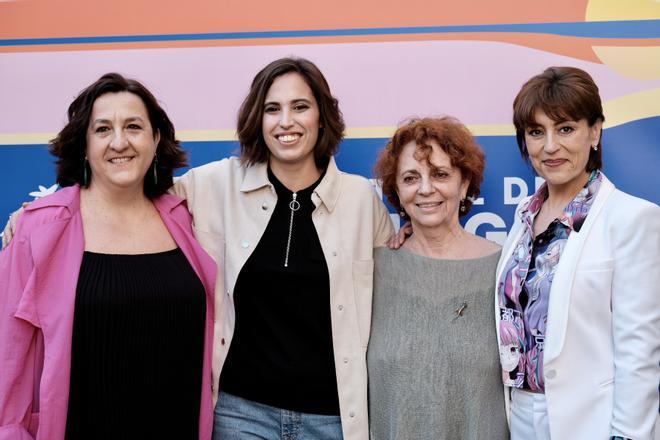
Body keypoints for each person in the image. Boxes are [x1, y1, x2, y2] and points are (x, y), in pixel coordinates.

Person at [170, 57, 394, 439]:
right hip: (240, 414)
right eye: (272, 109)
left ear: (322, 117)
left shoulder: (360, 200)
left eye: (300, 107)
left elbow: (391, 299)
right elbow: (137, 205)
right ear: (258, 119)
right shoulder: (214, 185)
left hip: (332, 419)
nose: (286, 121)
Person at [0, 73, 217, 440]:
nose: (120, 142)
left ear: (155, 138)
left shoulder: (186, 217)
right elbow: (11, 356)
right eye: (103, 129)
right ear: (84, 145)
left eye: (133, 126)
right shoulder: (39, 230)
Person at [496, 66, 660, 439]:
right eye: (536, 132)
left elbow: (640, 351)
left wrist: (627, 435)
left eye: (565, 128)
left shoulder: (631, 218)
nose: (550, 146)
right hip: (519, 416)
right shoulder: (523, 218)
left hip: (594, 422)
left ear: (596, 131)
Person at [367, 117, 508, 439]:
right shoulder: (372, 271)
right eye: (411, 177)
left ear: (464, 184)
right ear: (397, 190)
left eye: (441, 174)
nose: (426, 188)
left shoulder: (504, 271)